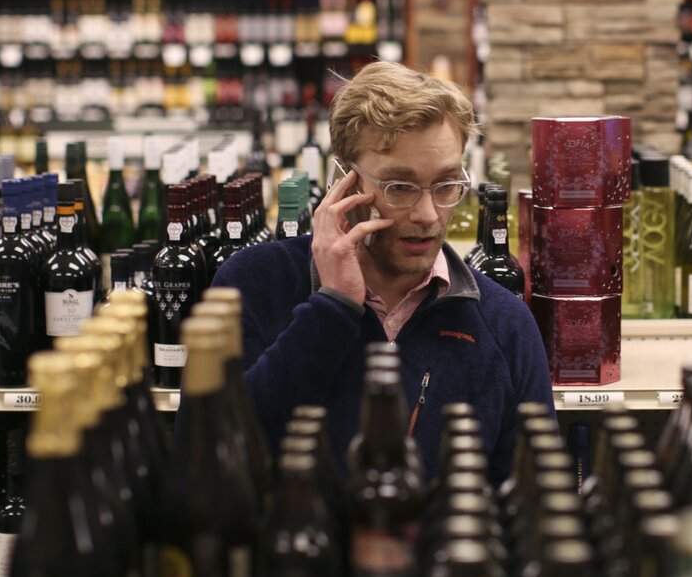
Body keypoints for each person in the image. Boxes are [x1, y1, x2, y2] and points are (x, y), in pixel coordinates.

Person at [212, 61, 554, 484]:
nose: (428, 214)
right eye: (400, 187)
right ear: (344, 182)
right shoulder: (254, 284)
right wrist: (331, 308)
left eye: (447, 184)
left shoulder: (504, 324)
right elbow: (215, 458)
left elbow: (532, 496)